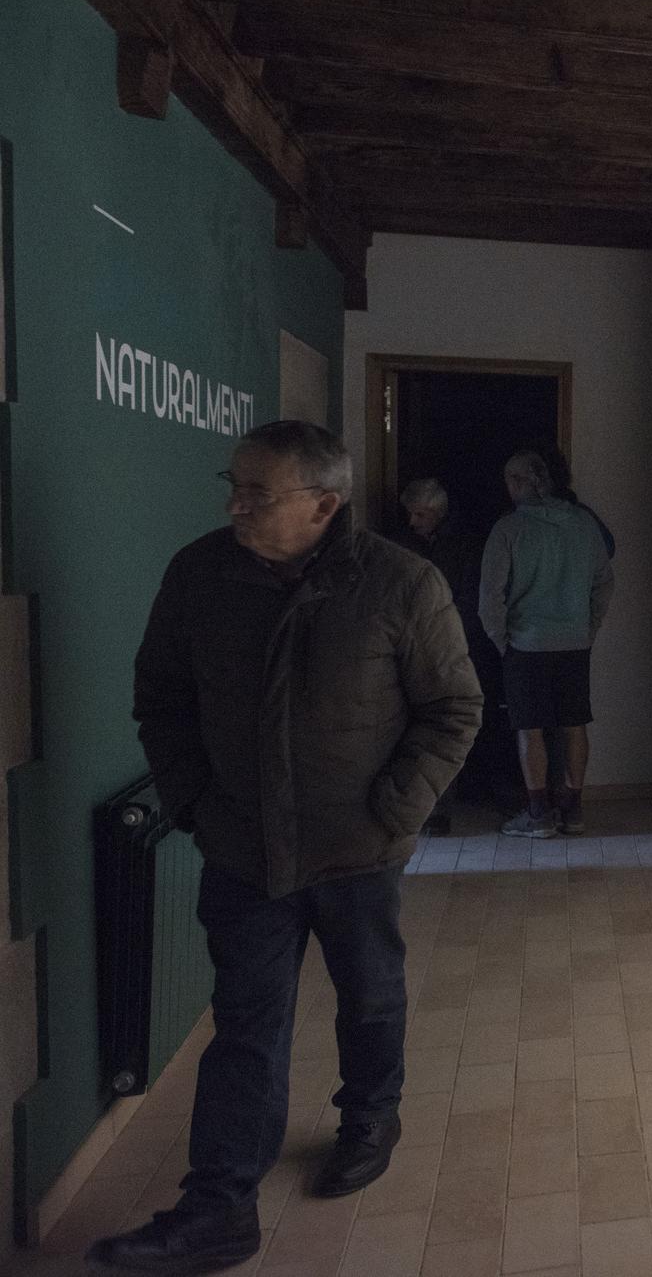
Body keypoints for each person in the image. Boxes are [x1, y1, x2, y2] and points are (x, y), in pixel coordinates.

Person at [93, 422, 482, 1275]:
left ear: (323, 504)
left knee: (370, 995)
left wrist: (395, 809)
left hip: (359, 848)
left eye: (256, 492)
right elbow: (162, 699)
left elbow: (453, 708)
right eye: (232, 485)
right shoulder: (199, 575)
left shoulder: (400, 582)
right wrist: (195, 802)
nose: (235, 504)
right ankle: (219, 1206)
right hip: (243, 849)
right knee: (246, 1023)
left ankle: (370, 1116)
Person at [481, 449, 613, 838]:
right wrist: (588, 628)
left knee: (530, 728)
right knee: (575, 723)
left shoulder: (508, 529)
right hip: (574, 641)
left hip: (526, 644)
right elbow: (604, 582)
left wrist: (502, 640)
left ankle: (538, 812)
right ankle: (573, 810)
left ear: (521, 483)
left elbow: (490, 596)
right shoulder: (583, 524)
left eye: (511, 478)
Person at [394, 477, 488, 831]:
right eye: (410, 513)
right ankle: (419, 806)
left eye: (420, 514)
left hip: (453, 645)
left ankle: (442, 805)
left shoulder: (465, 545)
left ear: (438, 512)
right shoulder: (402, 544)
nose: (412, 521)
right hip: (410, 647)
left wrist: (453, 637)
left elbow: (471, 597)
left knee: (448, 725)